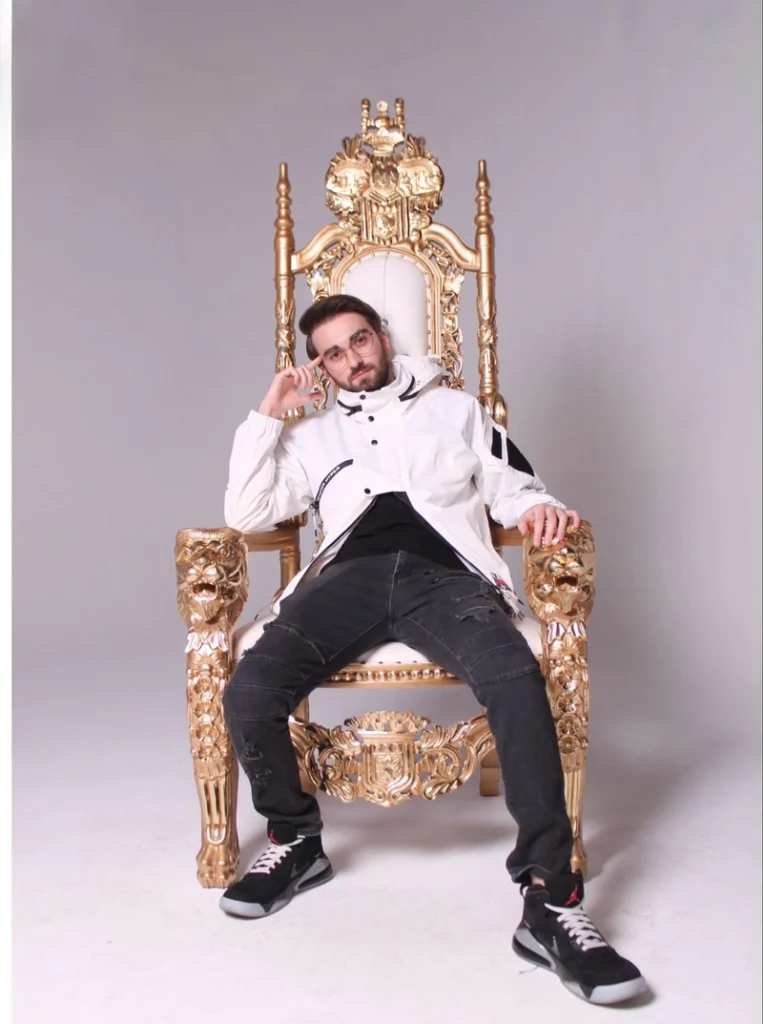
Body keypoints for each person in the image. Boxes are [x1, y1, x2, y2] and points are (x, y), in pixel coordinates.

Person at [221, 294, 646, 1005]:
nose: (353, 360)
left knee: (515, 678)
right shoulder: (310, 434)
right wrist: (270, 411)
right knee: (249, 691)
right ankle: (295, 840)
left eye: (360, 340)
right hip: (346, 581)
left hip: (444, 578)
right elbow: (244, 512)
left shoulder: (457, 410)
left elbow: (514, 489)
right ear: (319, 367)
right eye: (333, 353)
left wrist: (538, 508)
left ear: (382, 337)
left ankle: (548, 897)